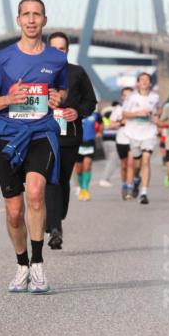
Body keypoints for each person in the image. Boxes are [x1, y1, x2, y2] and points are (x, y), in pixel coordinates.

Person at [0, 0, 68, 293]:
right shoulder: (3, 59)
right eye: (26, 15)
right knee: (14, 211)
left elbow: (61, 92)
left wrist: (60, 99)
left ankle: (38, 264)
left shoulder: (57, 59)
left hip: (41, 133)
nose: (32, 20)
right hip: (8, 136)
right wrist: (10, 98)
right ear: (18, 20)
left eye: (37, 15)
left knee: (36, 193)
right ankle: (21, 265)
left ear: (44, 20)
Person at [44, 31, 97, 249]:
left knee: (63, 179)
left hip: (70, 135)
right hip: (44, 134)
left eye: (62, 49)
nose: (58, 52)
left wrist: (77, 111)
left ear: (67, 51)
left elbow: (91, 101)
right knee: (50, 179)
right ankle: (55, 227)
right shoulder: (39, 73)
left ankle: (57, 217)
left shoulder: (77, 73)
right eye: (54, 48)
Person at [120, 72, 159, 205]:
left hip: (149, 132)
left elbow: (159, 112)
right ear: (138, 83)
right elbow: (124, 113)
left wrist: (155, 116)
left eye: (147, 79)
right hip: (134, 132)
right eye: (142, 79)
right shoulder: (131, 97)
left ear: (150, 82)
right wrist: (137, 113)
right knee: (136, 164)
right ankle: (136, 179)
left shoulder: (155, 97)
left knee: (146, 160)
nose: (144, 82)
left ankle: (144, 193)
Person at [107, 86, 134, 199]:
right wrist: (121, 123)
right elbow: (110, 125)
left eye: (130, 95)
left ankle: (129, 187)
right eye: (125, 95)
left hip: (134, 140)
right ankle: (124, 185)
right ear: (122, 97)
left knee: (131, 164)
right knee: (124, 165)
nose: (127, 97)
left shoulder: (136, 109)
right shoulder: (118, 109)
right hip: (121, 140)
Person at [74, 108, 102, 200]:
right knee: (78, 169)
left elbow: (101, 123)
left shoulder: (95, 114)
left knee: (87, 166)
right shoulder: (76, 112)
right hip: (78, 144)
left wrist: (99, 132)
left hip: (90, 143)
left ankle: (85, 190)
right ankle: (81, 188)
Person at [98, 99, 120, 187]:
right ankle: (104, 178)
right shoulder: (116, 114)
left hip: (105, 139)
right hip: (113, 139)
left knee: (109, 160)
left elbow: (102, 126)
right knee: (112, 160)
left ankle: (106, 178)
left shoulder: (105, 113)